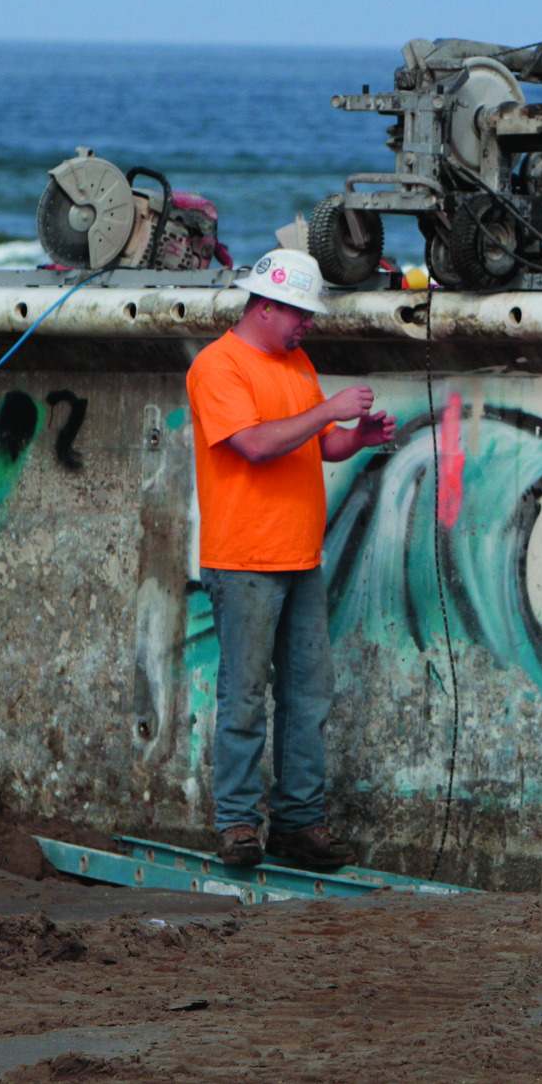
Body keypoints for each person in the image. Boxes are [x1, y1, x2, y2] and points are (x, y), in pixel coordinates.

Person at [185, 248, 397, 870]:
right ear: (268, 305)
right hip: (244, 556)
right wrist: (329, 412)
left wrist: (353, 438)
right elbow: (253, 444)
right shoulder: (217, 367)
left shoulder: (294, 360)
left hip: (298, 556)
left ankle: (299, 823)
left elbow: (316, 443)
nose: (309, 324)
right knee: (245, 696)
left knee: (308, 694)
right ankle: (238, 824)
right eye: (301, 313)